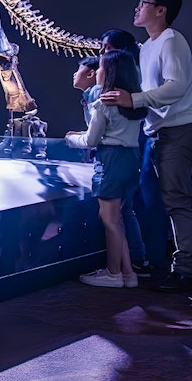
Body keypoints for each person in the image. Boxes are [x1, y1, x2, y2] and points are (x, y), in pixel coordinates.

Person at [102, 0, 192, 292]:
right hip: (159, 133)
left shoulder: (172, 41)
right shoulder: (147, 47)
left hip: (177, 131)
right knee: (178, 199)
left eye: (144, 2)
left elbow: (176, 86)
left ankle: (187, 270)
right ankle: (191, 266)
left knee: (177, 200)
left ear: (161, 10)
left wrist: (133, 100)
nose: (137, 8)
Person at [65, 49, 148, 289]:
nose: (97, 72)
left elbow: (92, 141)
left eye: (100, 67)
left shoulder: (103, 103)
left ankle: (113, 273)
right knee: (118, 217)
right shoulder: (133, 102)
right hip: (131, 159)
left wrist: (71, 139)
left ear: (110, 71)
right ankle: (128, 273)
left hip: (110, 160)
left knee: (109, 219)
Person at [101, 28, 164, 278]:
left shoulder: (131, 84)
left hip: (137, 145)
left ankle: (142, 262)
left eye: (106, 49)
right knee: (130, 206)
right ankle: (136, 264)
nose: (102, 56)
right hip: (135, 145)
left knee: (135, 205)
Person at [71, 55, 101, 124]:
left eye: (78, 70)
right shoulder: (88, 96)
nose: (75, 74)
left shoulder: (96, 92)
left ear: (90, 74)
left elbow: (99, 126)